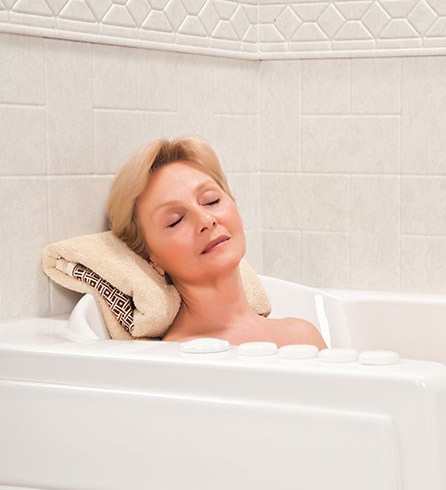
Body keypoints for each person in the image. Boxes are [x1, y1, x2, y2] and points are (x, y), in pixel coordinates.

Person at [106, 135, 326, 348]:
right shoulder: (174, 358)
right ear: (150, 259)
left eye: (212, 200)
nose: (206, 220)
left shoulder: (303, 336)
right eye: (175, 221)